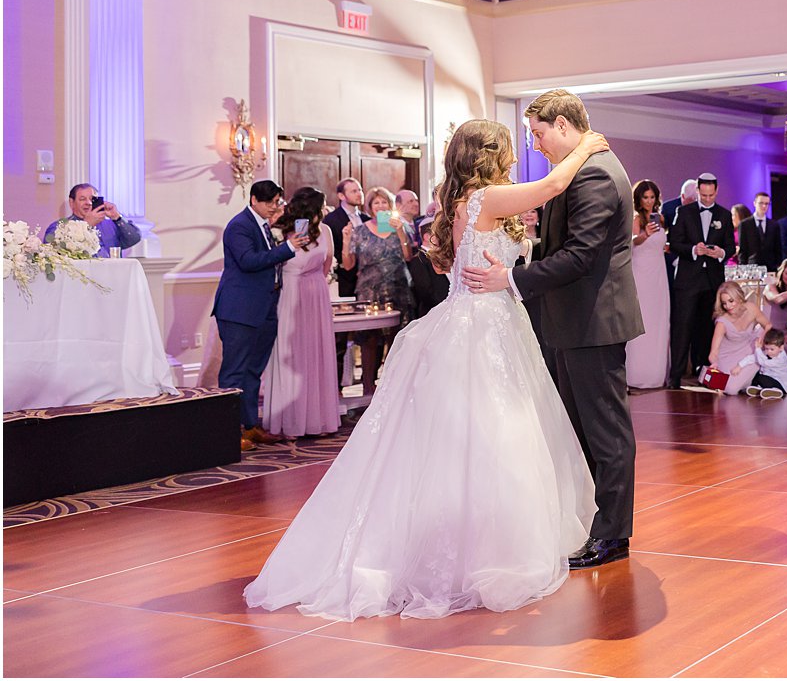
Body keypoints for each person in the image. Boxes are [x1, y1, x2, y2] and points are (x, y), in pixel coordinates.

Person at [245, 119, 608, 620]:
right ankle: (484, 550)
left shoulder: (476, 201)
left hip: (491, 320)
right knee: (491, 433)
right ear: (490, 154)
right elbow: (550, 186)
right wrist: (586, 145)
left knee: (483, 435)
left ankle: (476, 537)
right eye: (507, 148)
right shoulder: (484, 198)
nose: (514, 156)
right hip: (481, 327)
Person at [466, 89, 645, 568]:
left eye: (540, 135)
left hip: (594, 320)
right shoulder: (585, 169)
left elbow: (581, 256)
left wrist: (512, 278)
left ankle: (612, 535)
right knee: (582, 429)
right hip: (574, 319)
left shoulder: (595, 175)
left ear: (564, 125)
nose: (537, 145)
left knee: (606, 434)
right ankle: (594, 526)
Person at [212, 179, 307, 452]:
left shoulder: (265, 225)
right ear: (254, 199)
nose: (273, 208)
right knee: (234, 372)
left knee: (253, 371)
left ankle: (250, 425)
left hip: (264, 307)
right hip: (239, 309)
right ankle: (228, 431)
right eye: (269, 203)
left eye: (277, 202)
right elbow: (248, 261)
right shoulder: (239, 226)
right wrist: (287, 249)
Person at [262, 186, 340, 437]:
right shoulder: (281, 231)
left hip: (316, 293)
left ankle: (317, 419)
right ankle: (291, 421)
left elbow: (327, 263)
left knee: (316, 354)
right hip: (291, 295)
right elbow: (274, 263)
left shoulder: (326, 231)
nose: (326, 210)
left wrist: (314, 281)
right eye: (322, 205)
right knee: (293, 354)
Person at [342, 186, 415, 395]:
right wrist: (346, 241)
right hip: (369, 292)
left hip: (397, 288)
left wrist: (400, 230)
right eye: (377, 203)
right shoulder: (361, 230)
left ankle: (394, 388)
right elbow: (348, 265)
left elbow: (408, 256)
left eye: (384, 202)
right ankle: (368, 388)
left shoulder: (401, 227)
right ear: (371, 208)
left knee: (397, 339)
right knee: (369, 341)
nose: (381, 206)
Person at [667, 173, 734, 387]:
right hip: (688, 279)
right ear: (697, 191)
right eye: (703, 195)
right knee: (682, 326)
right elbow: (674, 243)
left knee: (708, 328)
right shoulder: (684, 212)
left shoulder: (724, 214)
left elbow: (731, 247)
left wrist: (721, 253)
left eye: (710, 195)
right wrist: (694, 250)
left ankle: (705, 373)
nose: (706, 199)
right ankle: (676, 376)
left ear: (716, 191)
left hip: (712, 280)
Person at [626, 179, 670, 390]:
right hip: (641, 272)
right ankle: (637, 374)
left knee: (658, 320)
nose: (649, 201)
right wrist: (645, 234)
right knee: (643, 318)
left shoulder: (659, 217)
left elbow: (660, 245)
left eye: (652, 197)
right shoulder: (635, 218)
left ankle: (655, 373)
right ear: (639, 198)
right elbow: (631, 243)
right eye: (645, 197)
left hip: (658, 273)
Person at [44, 182, 144, 256]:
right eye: (83, 199)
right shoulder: (60, 227)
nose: (89, 203)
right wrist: (86, 225)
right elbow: (53, 255)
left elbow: (134, 238)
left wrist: (117, 217)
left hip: (112, 278)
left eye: (92, 199)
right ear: (72, 202)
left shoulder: (111, 225)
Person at [705, 283, 766, 396]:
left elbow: (768, 326)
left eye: (731, 301)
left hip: (748, 349)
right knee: (730, 390)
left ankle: (756, 382)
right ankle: (750, 384)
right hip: (728, 356)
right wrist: (714, 363)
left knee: (766, 349)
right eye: (724, 303)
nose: (728, 306)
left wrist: (762, 339)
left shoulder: (751, 308)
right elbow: (713, 352)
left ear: (739, 297)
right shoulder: (722, 322)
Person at [322, 177, 369, 299]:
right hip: (345, 278)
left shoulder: (366, 219)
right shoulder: (331, 220)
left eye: (360, 190)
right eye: (354, 191)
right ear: (341, 196)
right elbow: (330, 247)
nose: (359, 194)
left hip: (367, 276)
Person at [738, 191, 784, 270]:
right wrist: (743, 267)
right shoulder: (745, 224)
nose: (764, 206)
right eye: (761, 203)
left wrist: (778, 265)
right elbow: (743, 249)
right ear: (754, 203)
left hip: (770, 267)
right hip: (751, 266)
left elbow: (778, 248)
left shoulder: (774, 225)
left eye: (767, 204)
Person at [742, 329, 787, 398]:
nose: (769, 351)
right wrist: (740, 365)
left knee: (761, 377)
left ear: (781, 348)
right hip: (771, 379)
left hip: (781, 385)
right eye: (766, 349)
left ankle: (776, 391)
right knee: (757, 375)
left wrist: (758, 349)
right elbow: (755, 357)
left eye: (772, 349)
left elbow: (763, 362)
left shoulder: (782, 359)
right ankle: (761, 389)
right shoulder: (769, 352)